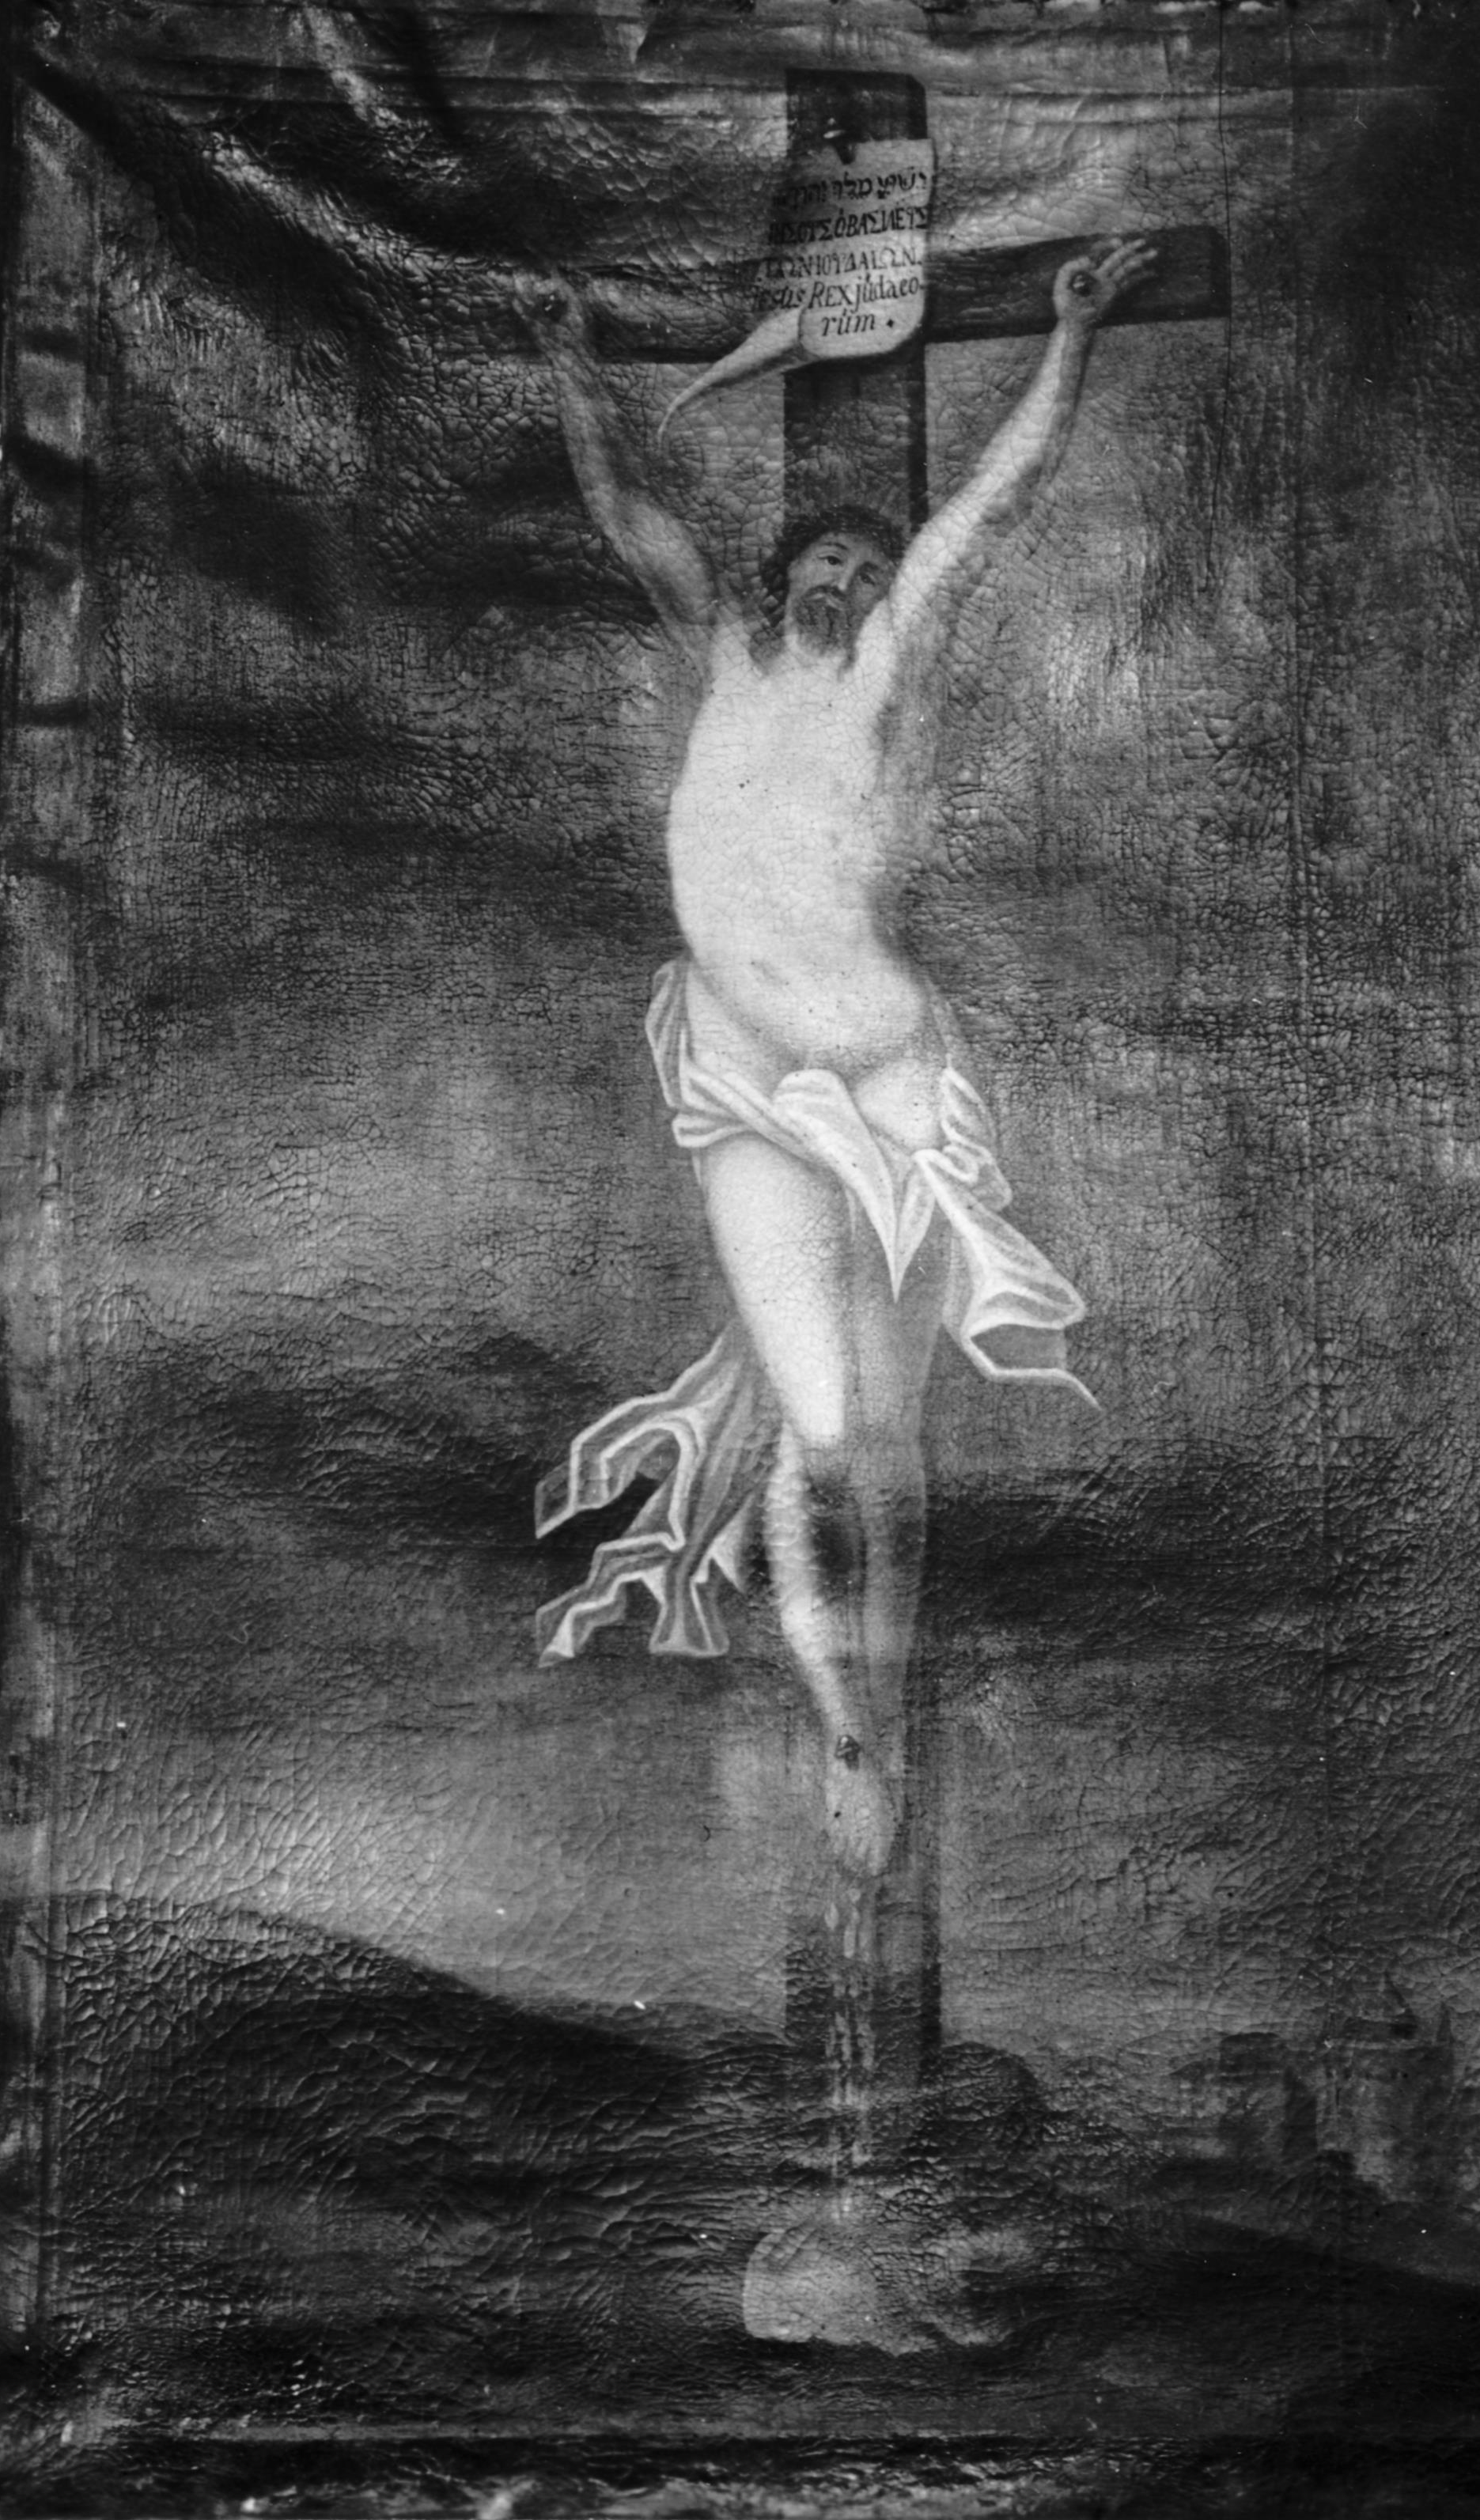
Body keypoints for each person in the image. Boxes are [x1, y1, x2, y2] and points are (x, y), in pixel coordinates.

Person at [530, 240, 1159, 1878]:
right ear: (779, 577)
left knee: (886, 1442)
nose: (846, 577)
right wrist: (574, 370)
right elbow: (625, 511)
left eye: (868, 568)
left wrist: (1072, 332)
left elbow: (994, 506)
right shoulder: (725, 655)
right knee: (817, 1428)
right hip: (743, 1068)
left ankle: (895, 1697)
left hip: (889, 1072)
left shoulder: (886, 667)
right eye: (823, 557)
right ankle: (849, 1730)